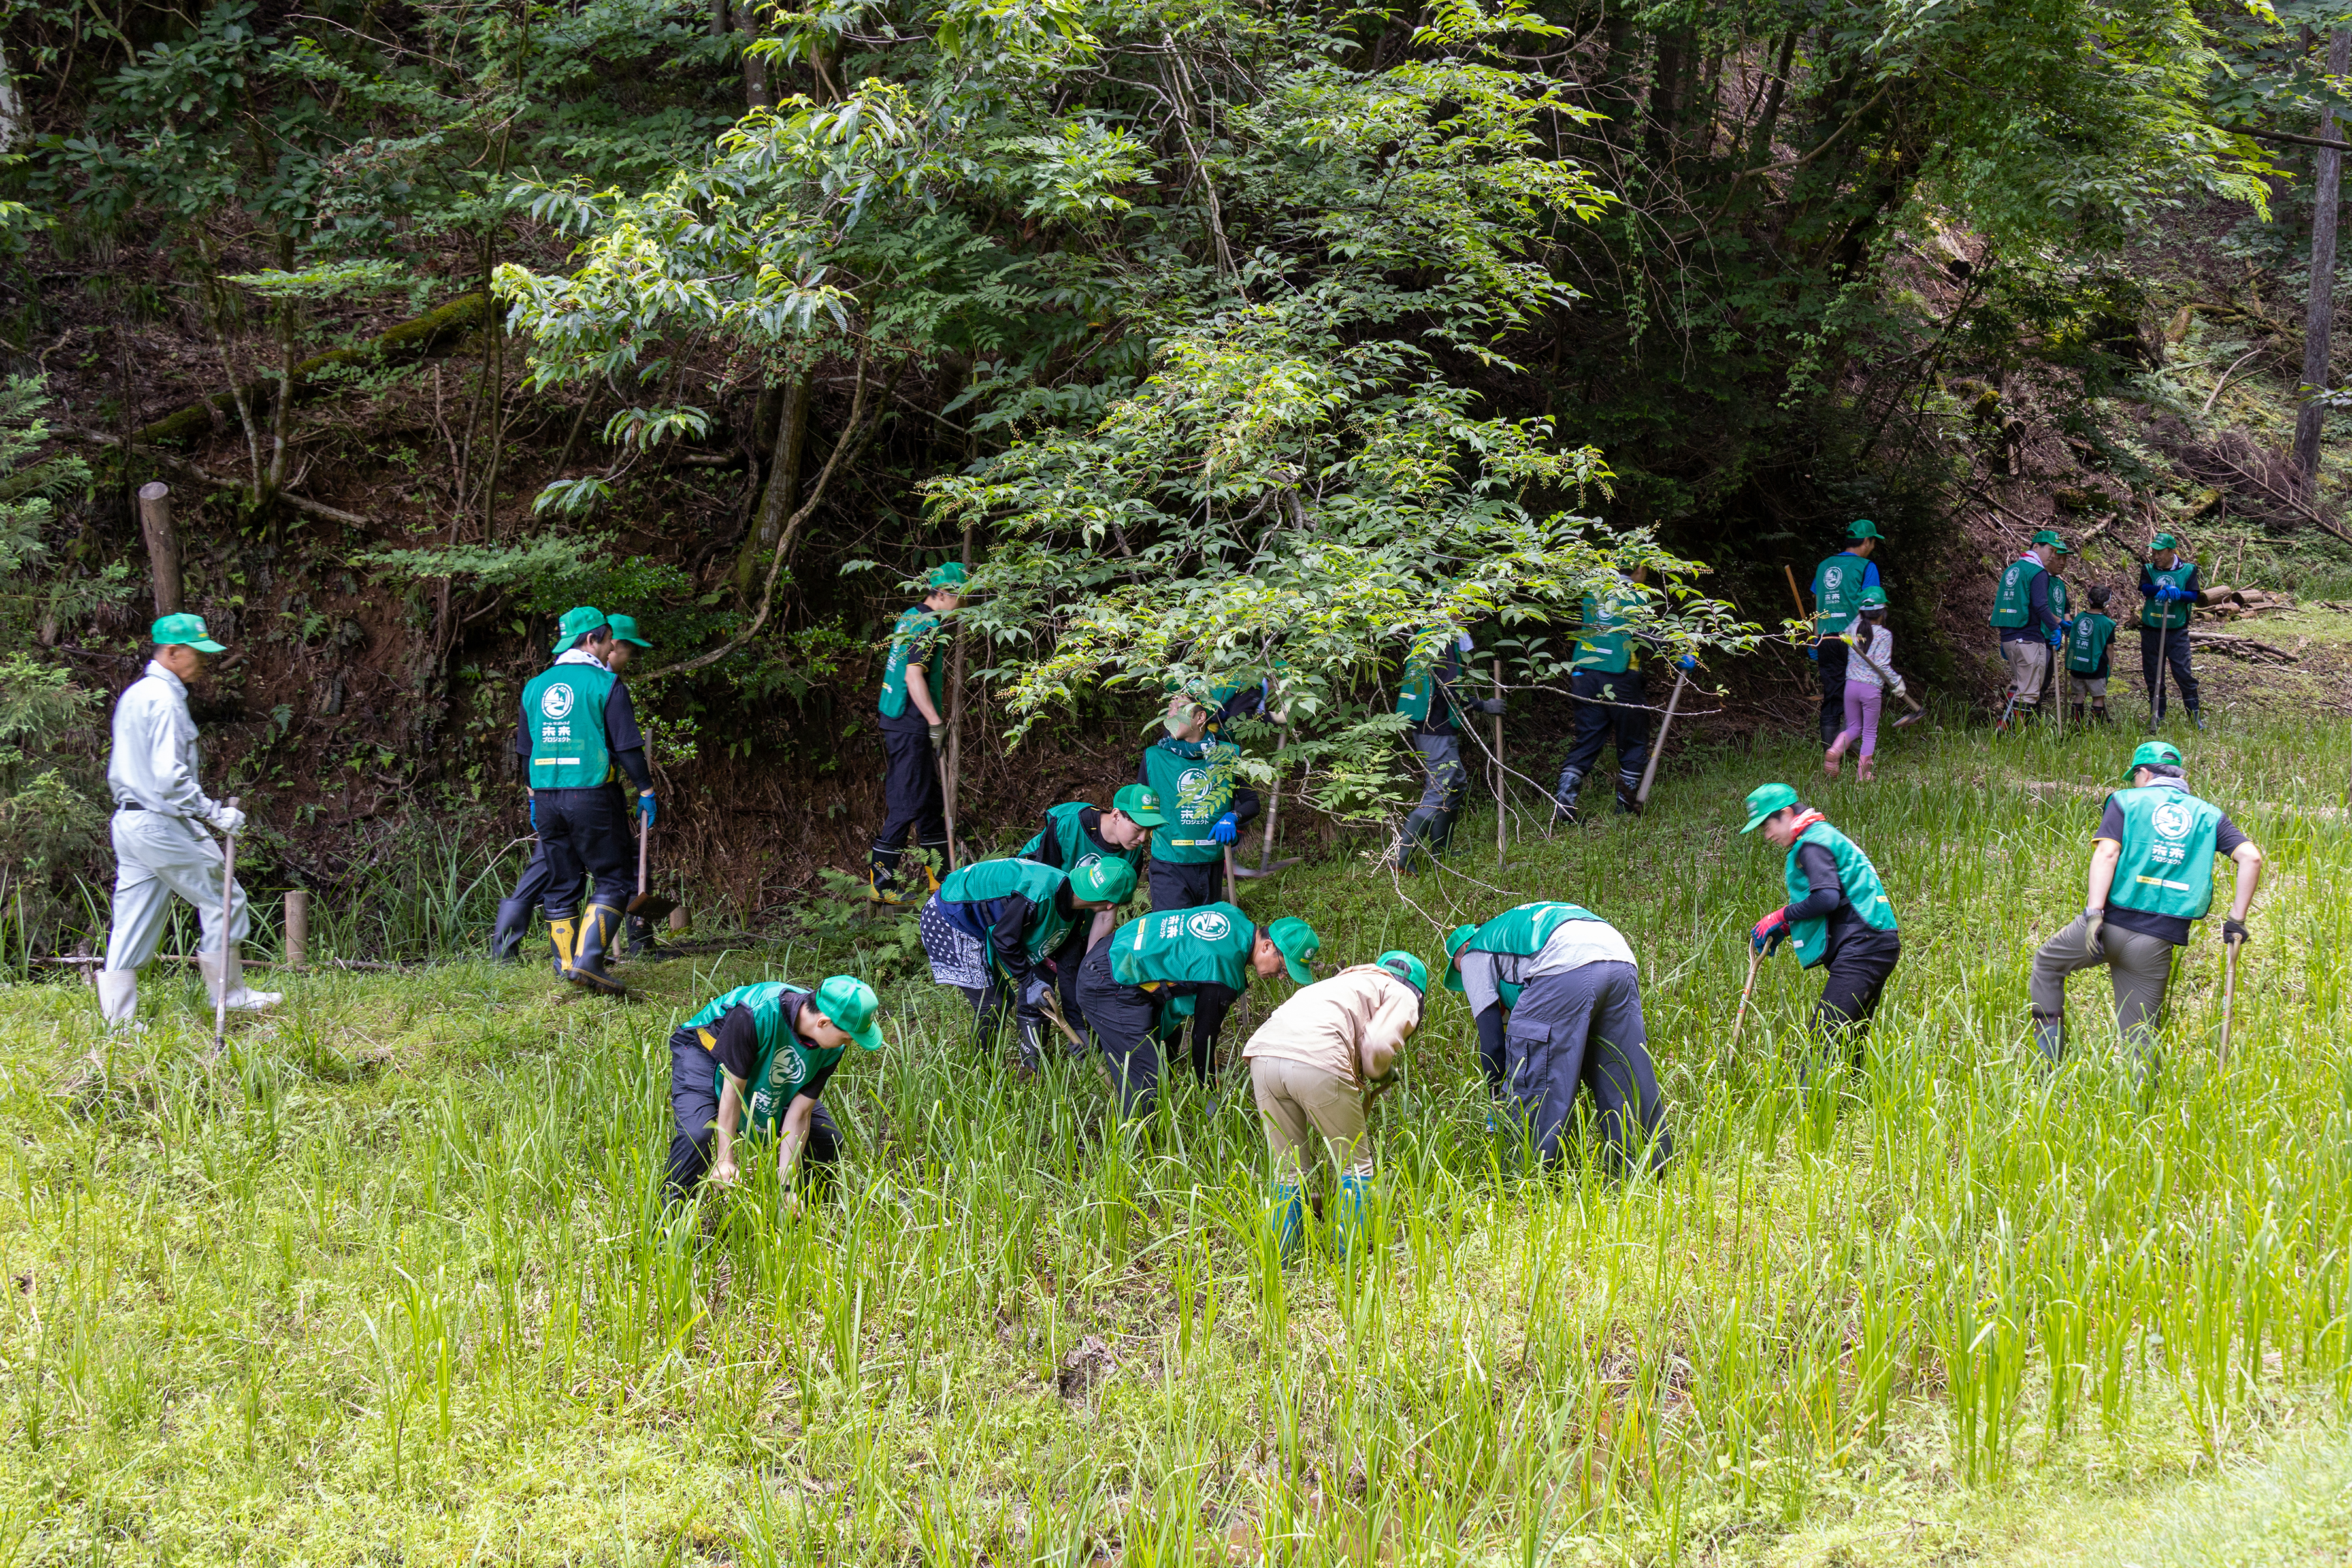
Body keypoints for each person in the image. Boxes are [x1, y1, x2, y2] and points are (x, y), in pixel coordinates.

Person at [94, 613, 282, 1031]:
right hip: (160, 824)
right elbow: (168, 778)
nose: (202, 661)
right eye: (196, 652)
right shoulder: (163, 701)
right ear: (172, 652)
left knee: (134, 917)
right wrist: (215, 814)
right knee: (224, 896)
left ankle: (119, 1023)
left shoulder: (137, 695)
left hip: (129, 823)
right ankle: (229, 995)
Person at [2029, 741, 2262, 1068]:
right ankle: (2139, 1112)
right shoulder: (2209, 815)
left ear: (2144, 773)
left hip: (2107, 925)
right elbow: (2251, 857)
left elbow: (2107, 853)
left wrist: (2094, 914)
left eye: (2135, 776)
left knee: (2047, 966)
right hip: (2156, 942)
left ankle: (2045, 1067)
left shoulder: (2126, 802)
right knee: (2140, 1037)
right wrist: (2236, 920)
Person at [1443, 901, 1671, 1174]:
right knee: (1622, 1070)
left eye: (1456, 968)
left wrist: (1497, 1096)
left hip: (1564, 963)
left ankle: (1527, 1180)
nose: (1461, 974)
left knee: (1534, 1075)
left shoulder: (1474, 953)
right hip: (1617, 953)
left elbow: (1492, 1042)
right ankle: (1647, 1169)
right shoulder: (1513, 930)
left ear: (1462, 950)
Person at [493, 610, 664, 964]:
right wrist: (646, 790)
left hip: (547, 797)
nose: (609, 650)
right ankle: (588, 962)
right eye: (607, 642)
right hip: (592, 795)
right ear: (592, 640)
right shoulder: (605, 684)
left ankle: (565, 964)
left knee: (560, 882)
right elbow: (628, 748)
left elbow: (525, 752)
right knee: (614, 878)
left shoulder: (535, 686)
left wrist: (533, 796)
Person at [1241, 950, 1425, 1260]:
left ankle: (1281, 1267)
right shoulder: (1401, 992)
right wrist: (1380, 1070)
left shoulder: (1344, 982)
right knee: (1356, 1167)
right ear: (1417, 991)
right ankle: (1347, 1263)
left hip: (1263, 1056)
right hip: (1318, 1056)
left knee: (1287, 1171)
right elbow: (1378, 1045)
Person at [1077, 902, 1320, 1117]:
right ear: (1267, 946)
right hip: (1109, 982)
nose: (1279, 977)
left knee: (1166, 1045)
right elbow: (1203, 1038)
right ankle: (1140, 1153)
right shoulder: (1223, 969)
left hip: (1111, 951)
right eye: (1283, 968)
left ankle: (1157, 1110)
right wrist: (1210, 1095)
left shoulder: (1233, 916)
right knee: (1148, 1080)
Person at [662, 975, 884, 1201]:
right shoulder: (755, 1013)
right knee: (696, 1134)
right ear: (823, 1023)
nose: (849, 1043)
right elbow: (734, 1091)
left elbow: (800, 1113)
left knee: (828, 1139)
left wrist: (789, 1189)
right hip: (705, 1050)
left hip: (760, 1060)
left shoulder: (831, 1045)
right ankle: (670, 1223)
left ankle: (806, 1215)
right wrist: (725, 1159)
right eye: (847, 1038)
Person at [922, 855, 1137, 1070]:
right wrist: (1028, 980)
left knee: (1002, 999)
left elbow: (1069, 968)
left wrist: (1077, 1025)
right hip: (948, 916)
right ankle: (980, 1074)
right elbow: (1004, 939)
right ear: (1110, 905)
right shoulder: (1039, 894)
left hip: (977, 924)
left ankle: (989, 1070)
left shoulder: (1072, 904)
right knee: (993, 1003)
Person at [1742, 783, 1902, 1065]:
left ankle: (1808, 1108)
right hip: (1876, 943)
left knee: (1823, 1039)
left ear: (1787, 813)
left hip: (1864, 948)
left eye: (1767, 826)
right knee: (1850, 1039)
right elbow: (1840, 899)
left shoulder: (1812, 844)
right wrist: (1788, 927)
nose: (1767, 836)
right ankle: (1851, 1104)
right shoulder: (1823, 836)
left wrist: (1781, 915)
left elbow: (1826, 898)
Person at [1554, 568, 1693, 823]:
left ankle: (1565, 803)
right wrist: (1678, 655)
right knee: (1633, 740)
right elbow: (1647, 637)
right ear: (1639, 569)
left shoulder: (1593, 590)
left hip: (1583, 674)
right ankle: (1625, 809)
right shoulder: (1636, 596)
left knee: (1587, 738)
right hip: (1620, 677)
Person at [870, 563, 966, 902]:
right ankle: (882, 886)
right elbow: (913, 678)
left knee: (927, 804)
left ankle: (940, 882)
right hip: (909, 724)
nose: (962, 603)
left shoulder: (912, 616)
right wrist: (935, 723)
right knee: (906, 802)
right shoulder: (926, 625)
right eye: (958, 596)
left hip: (902, 720)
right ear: (941, 594)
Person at [1394, 627, 1506, 867]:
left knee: (1454, 785)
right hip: (1435, 726)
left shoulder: (1430, 633)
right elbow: (1450, 686)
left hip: (1429, 724)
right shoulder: (1442, 639)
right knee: (1440, 790)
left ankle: (1441, 852)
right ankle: (1401, 859)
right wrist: (1482, 706)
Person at [1137, 687, 1259, 911]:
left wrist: (1233, 816)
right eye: (1169, 708)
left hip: (1210, 864)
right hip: (1168, 864)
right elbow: (1138, 813)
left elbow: (1252, 803)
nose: (1170, 715)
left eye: (1179, 708)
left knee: (1202, 936)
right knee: (1171, 934)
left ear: (1201, 717)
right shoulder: (1154, 757)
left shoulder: (1228, 755)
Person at [1807, 521, 1883, 747]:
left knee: (1833, 693)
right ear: (1867, 541)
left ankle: (1831, 746)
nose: (1873, 546)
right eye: (1874, 541)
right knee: (1860, 692)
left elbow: (1817, 602)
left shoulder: (1824, 566)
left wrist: (1815, 639)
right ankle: (1845, 745)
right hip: (1855, 640)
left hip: (1826, 638)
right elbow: (1872, 606)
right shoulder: (1867, 567)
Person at [1988, 529, 2070, 729]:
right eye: (2051, 550)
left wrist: (2003, 637)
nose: (2053, 556)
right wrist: (2055, 628)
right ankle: (2015, 734)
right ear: (2036, 547)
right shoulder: (2038, 572)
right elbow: (2040, 605)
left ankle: (2004, 727)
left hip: (2009, 638)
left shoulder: (2013, 569)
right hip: (2029, 637)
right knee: (2030, 691)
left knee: (2019, 684)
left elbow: (2003, 604)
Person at [1825, 587, 1901, 782]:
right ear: (1883, 613)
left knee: (1853, 727)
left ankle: (1835, 750)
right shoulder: (1884, 635)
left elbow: (1845, 631)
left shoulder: (1852, 630)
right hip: (1871, 690)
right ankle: (1863, 775)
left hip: (1850, 686)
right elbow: (1882, 666)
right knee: (1869, 732)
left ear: (1861, 612)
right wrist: (1897, 683)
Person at [2138, 533, 2202, 728]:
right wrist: (2160, 588)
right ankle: (2157, 714)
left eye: (2160, 552)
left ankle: (2194, 717)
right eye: (2153, 551)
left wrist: (2179, 594)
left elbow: (2193, 596)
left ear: (2172, 551)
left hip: (2177, 630)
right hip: (2152, 629)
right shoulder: (2149, 569)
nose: (2155, 556)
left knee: (2183, 672)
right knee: (2153, 673)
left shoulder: (2188, 570)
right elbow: (2145, 588)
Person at [2065, 584, 2119, 724]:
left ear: (2088, 600)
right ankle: (2094, 729)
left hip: (2077, 665)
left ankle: (2075, 727)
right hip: (2096, 666)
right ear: (2107, 604)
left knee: (2079, 695)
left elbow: (2072, 635)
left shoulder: (2078, 618)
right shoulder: (2108, 624)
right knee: (2098, 697)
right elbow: (2110, 648)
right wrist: (2109, 668)